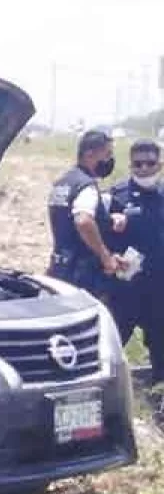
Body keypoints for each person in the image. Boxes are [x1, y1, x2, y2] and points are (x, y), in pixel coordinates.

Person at [46, 130, 128, 300]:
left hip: (60, 266)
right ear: (90, 154)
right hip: (82, 273)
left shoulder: (63, 183)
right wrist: (106, 257)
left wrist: (109, 220)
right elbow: (83, 221)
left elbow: (68, 221)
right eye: (107, 154)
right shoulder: (86, 186)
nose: (109, 160)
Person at [108, 138, 164, 380]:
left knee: (161, 345)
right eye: (137, 164)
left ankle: (159, 398)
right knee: (112, 343)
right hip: (126, 287)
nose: (143, 169)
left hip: (159, 288)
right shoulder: (117, 195)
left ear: (159, 165)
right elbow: (101, 236)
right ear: (130, 165)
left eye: (149, 163)